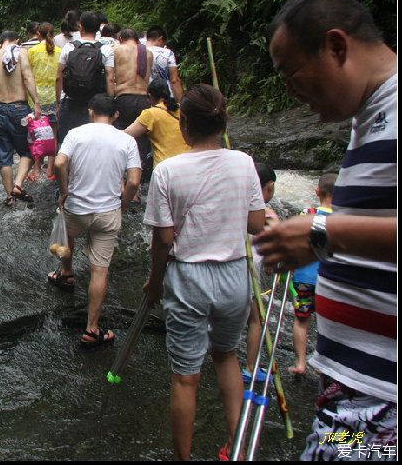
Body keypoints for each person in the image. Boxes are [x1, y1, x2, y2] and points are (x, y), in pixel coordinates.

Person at [253, 0, 397, 461]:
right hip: (354, 391)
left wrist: (321, 234)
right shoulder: (370, 116)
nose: (290, 92)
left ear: (336, 47)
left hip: (383, 409)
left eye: (290, 74)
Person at [143, 84, 266, 461]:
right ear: (221, 122)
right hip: (234, 277)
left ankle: (184, 458)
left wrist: (154, 281)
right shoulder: (244, 162)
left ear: (184, 126)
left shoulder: (167, 171)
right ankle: (237, 446)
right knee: (227, 356)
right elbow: (257, 224)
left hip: (188, 279)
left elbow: (163, 240)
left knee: (186, 376)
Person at [48, 94, 141, 347]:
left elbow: (59, 162)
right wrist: (122, 205)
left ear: (90, 111)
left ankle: (67, 273)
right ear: (117, 115)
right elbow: (133, 181)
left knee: (68, 235)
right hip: (108, 212)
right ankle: (92, 329)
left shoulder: (76, 134)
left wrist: (64, 190)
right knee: (99, 270)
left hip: (77, 207)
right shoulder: (127, 140)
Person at [0, 31, 42, 207]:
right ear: (17, 41)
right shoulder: (21, 53)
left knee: (4, 156)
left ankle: (9, 196)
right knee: (28, 151)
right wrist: (36, 101)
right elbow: (27, 77)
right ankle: (18, 186)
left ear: (0, 43)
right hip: (20, 109)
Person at [289, 171, 337, 376]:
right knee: (328, 324)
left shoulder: (307, 213)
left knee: (301, 320)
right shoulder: (344, 220)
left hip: (304, 278)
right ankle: (322, 365)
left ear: (317, 191)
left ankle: (300, 363)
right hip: (330, 280)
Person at [241, 162, 280, 385]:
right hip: (248, 273)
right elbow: (276, 235)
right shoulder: (264, 212)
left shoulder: (236, 201)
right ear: (268, 186)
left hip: (229, 266)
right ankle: (249, 368)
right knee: (255, 320)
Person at [56, 10, 106, 147]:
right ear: (98, 29)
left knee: (66, 142)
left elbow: (58, 76)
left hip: (71, 100)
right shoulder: (105, 49)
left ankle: (66, 168)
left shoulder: (69, 47)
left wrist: (58, 103)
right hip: (95, 103)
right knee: (94, 144)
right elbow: (111, 77)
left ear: (81, 27)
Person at [111, 28, 153, 180]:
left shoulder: (116, 50)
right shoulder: (147, 53)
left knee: (121, 139)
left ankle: (122, 182)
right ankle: (136, 183)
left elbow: (110, 75)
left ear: (121, 38)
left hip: (124, 97)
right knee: (140, 142)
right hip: (143, 98)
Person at [123, 78, 190, 169]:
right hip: (188, 162)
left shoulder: (151, 114)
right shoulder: (182, 109)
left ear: (150, 96)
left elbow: (126, 134)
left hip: (166, 167)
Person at [27, 21, 62, 180]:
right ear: (53, 34)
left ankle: (36, 170)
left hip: (36, 97)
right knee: (53, 134)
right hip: (54, 95)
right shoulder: (60, 51)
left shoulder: (33, 51)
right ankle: (50, 171)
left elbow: (27, 76)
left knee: (36, 133)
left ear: (38, 34)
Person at [145, 25, 184, 103]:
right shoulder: (167, 53)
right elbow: (174, 80)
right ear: (160, 39)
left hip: (147, 97)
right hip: (166, 97)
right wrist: (181, 103)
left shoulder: (139, 52)